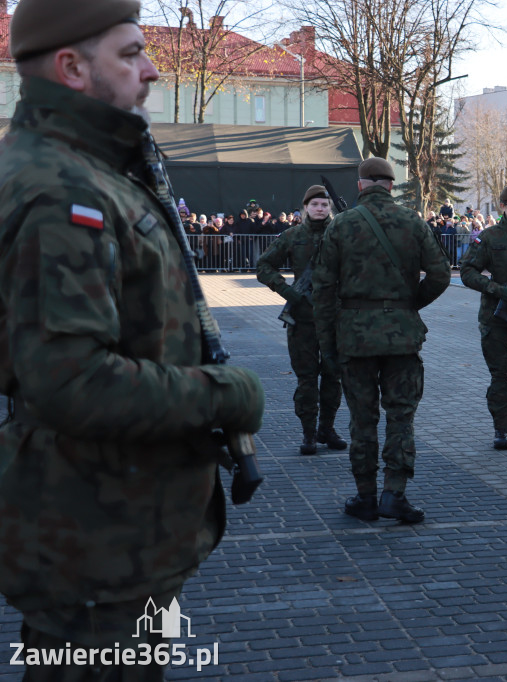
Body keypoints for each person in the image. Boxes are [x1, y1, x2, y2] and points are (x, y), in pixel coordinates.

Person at [0, 0, 266, 678]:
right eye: (130, 53)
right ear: (72, 67)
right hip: (95, 545)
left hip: (113, 537)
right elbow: (72, 379)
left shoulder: (86, 169)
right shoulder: (63, 190)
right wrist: (222, 394)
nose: (150, 70)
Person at [313, 157, 450, 524]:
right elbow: (440, 275)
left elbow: (323, 291)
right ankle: (395, 494)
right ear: (391, 184)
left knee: (362, 420)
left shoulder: (340, 225)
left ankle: (365, 497)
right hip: (402, 339)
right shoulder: (413, 222)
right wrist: (407, 306)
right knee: (401, 417)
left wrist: (327, 344)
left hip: (354, 337)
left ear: (360, 185)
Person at [257, 185, 347, 455]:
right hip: (303, 319)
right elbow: (264, 266)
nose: (320, 208)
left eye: (324, 204)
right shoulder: (292, 235)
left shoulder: (342, 235)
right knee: (307, 380)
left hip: (335, 318)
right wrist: (286, 291)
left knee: (334, 378)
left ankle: (326, 429)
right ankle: (308, 433)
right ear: (305, 207)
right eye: (315, 204)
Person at [460, 184, 507, 449]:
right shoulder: (490, 237)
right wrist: (496, 289)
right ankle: (500, 428)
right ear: (502, 206)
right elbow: (467, 271)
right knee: (500, 374)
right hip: (495, 316)